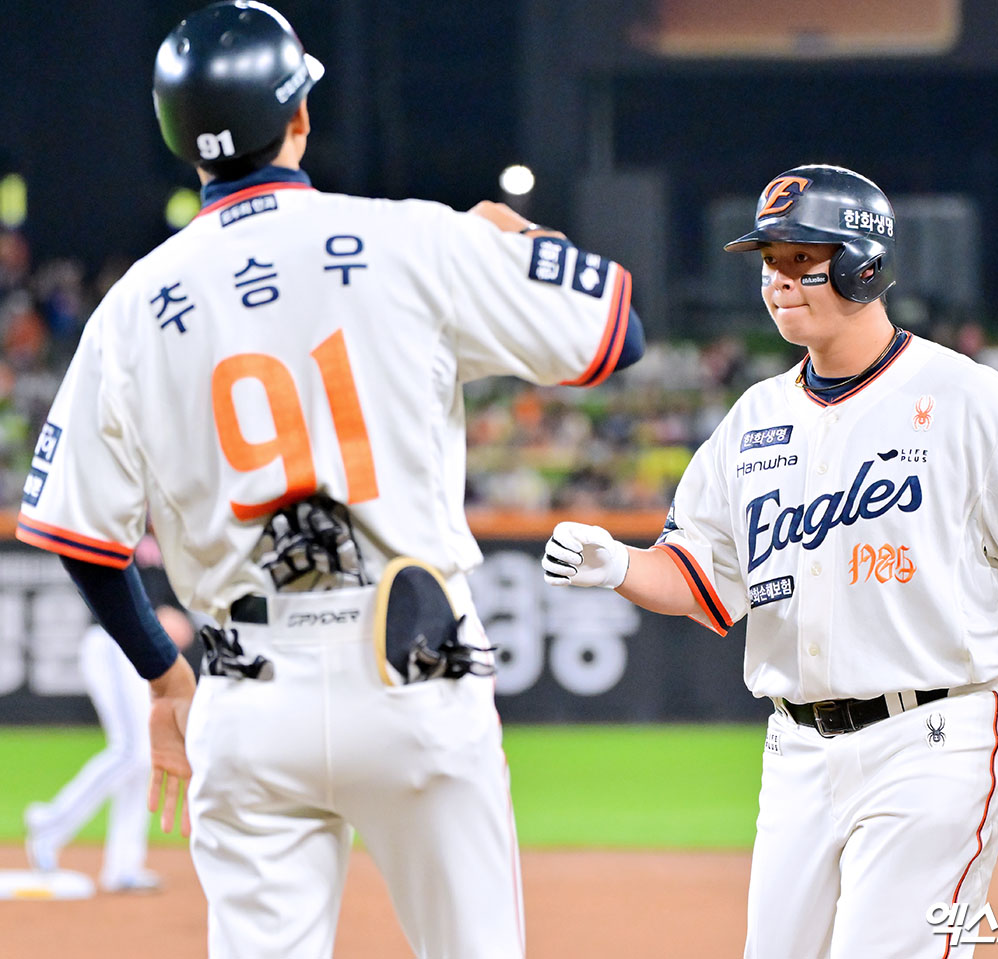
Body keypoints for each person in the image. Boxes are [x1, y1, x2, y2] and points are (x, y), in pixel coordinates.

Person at [16, 2, 642, 956]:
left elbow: (80, 538)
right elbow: (615, 338)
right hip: (415, 671)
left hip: (245, 688)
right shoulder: (412, 239)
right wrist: (512, 244)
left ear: (179, 138)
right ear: (300, 116)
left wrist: (164, 677)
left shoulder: (132, 307)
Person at [542, 164, 998, 958]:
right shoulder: (753, 419)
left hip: (933, 739)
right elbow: (696, 576)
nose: (777, 279)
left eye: (801, 258)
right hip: (795, 751)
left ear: (864, 265)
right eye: (769, 260)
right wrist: (620, 565)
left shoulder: (970, 400)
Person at [24, 573, 194, 894]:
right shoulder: (138, 539)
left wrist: (171, 617)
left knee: (143, 756)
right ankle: (49, 823)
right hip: (112, 638)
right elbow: (114, 582)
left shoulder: (165, 547)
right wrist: (161, 616)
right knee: (132, 750)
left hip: (139, 642)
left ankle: (124, 867)